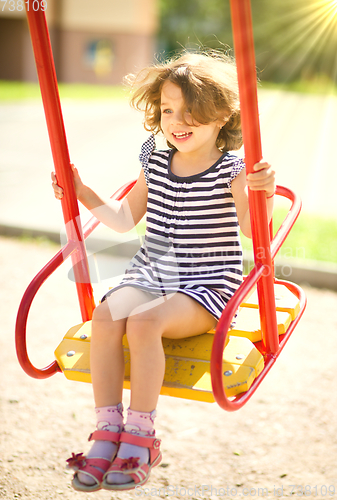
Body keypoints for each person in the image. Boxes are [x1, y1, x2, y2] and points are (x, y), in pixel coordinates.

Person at [52, 50, 275, 492]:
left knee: (145, 320)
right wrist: (80, 191)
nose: (177, 121)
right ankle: (107, 428)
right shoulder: (155, 158)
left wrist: (262, 191)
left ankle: (141, 434)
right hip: (153, 272)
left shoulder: (232, 171)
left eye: (191, 111)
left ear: (222, 115)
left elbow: (254, 233)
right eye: (169, 110)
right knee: (105, 316)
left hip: (207, 283)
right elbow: (121, 219)